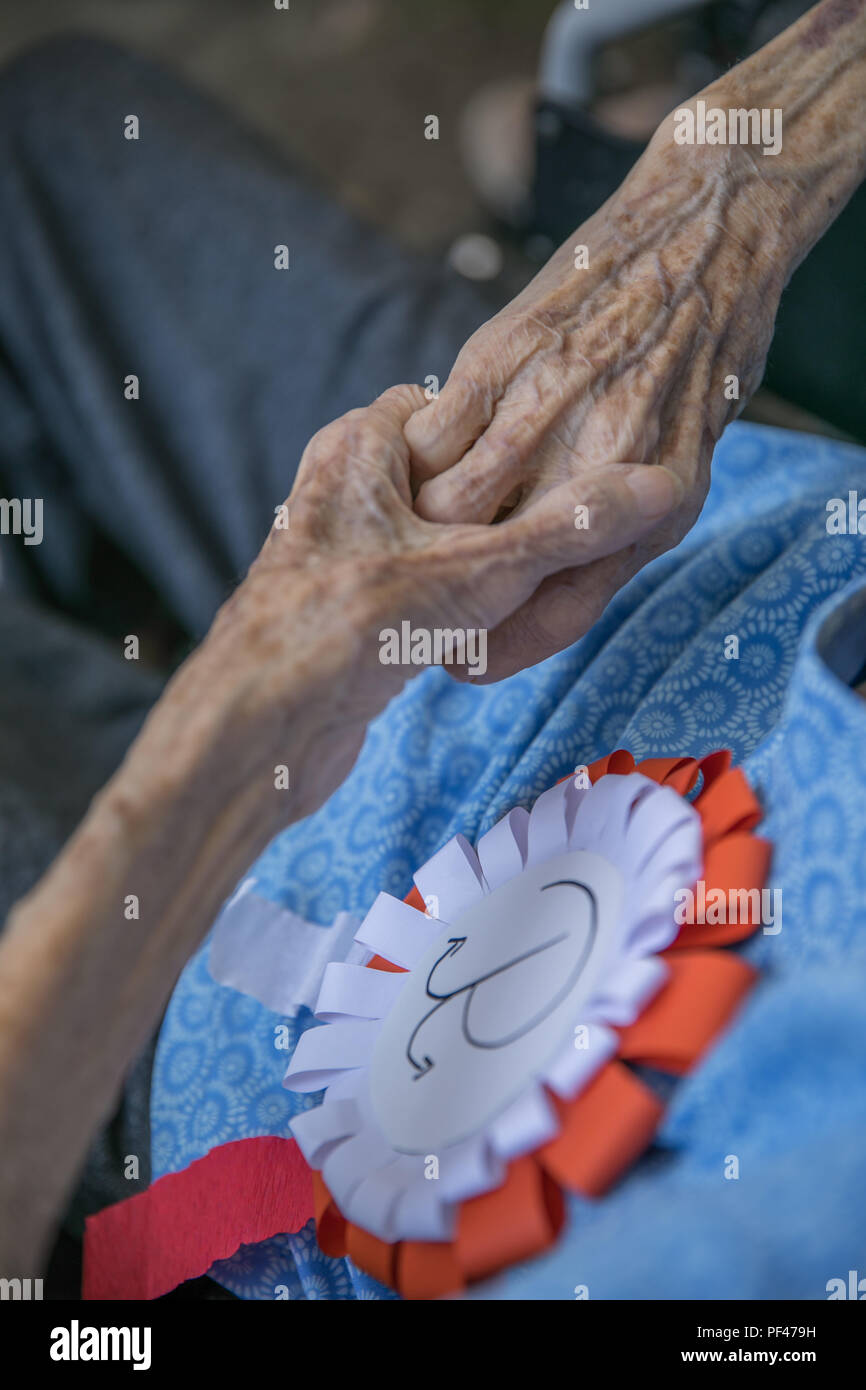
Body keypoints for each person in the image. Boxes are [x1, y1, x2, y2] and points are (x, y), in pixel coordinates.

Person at [0, 0, 864, 1298]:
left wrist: (250, 696)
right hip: (661, 507)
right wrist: (726, 188)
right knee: (51, 142)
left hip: (210, 1056)